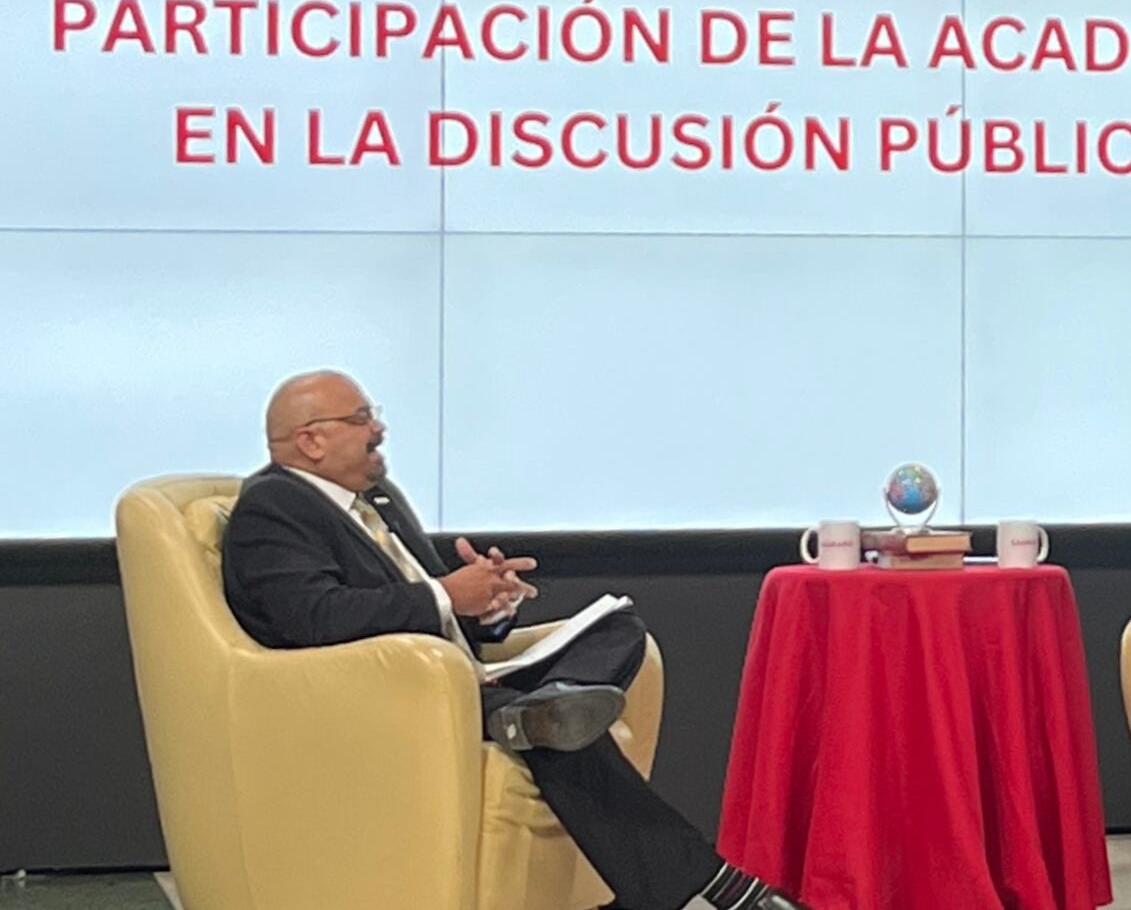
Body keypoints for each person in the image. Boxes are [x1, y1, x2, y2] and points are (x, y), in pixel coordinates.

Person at [222, 370, 807, 910]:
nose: (378, 428)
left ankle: (536, 709)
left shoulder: (378, 499)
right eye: (359, 418)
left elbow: (439, 609)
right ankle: (714, 890)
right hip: (382, 696)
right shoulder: (274, 507)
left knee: (618, 630)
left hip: (456, 679)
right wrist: (450, 594)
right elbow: (314, 619)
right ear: (311, 440)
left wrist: (489, 604)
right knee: (563, 738)